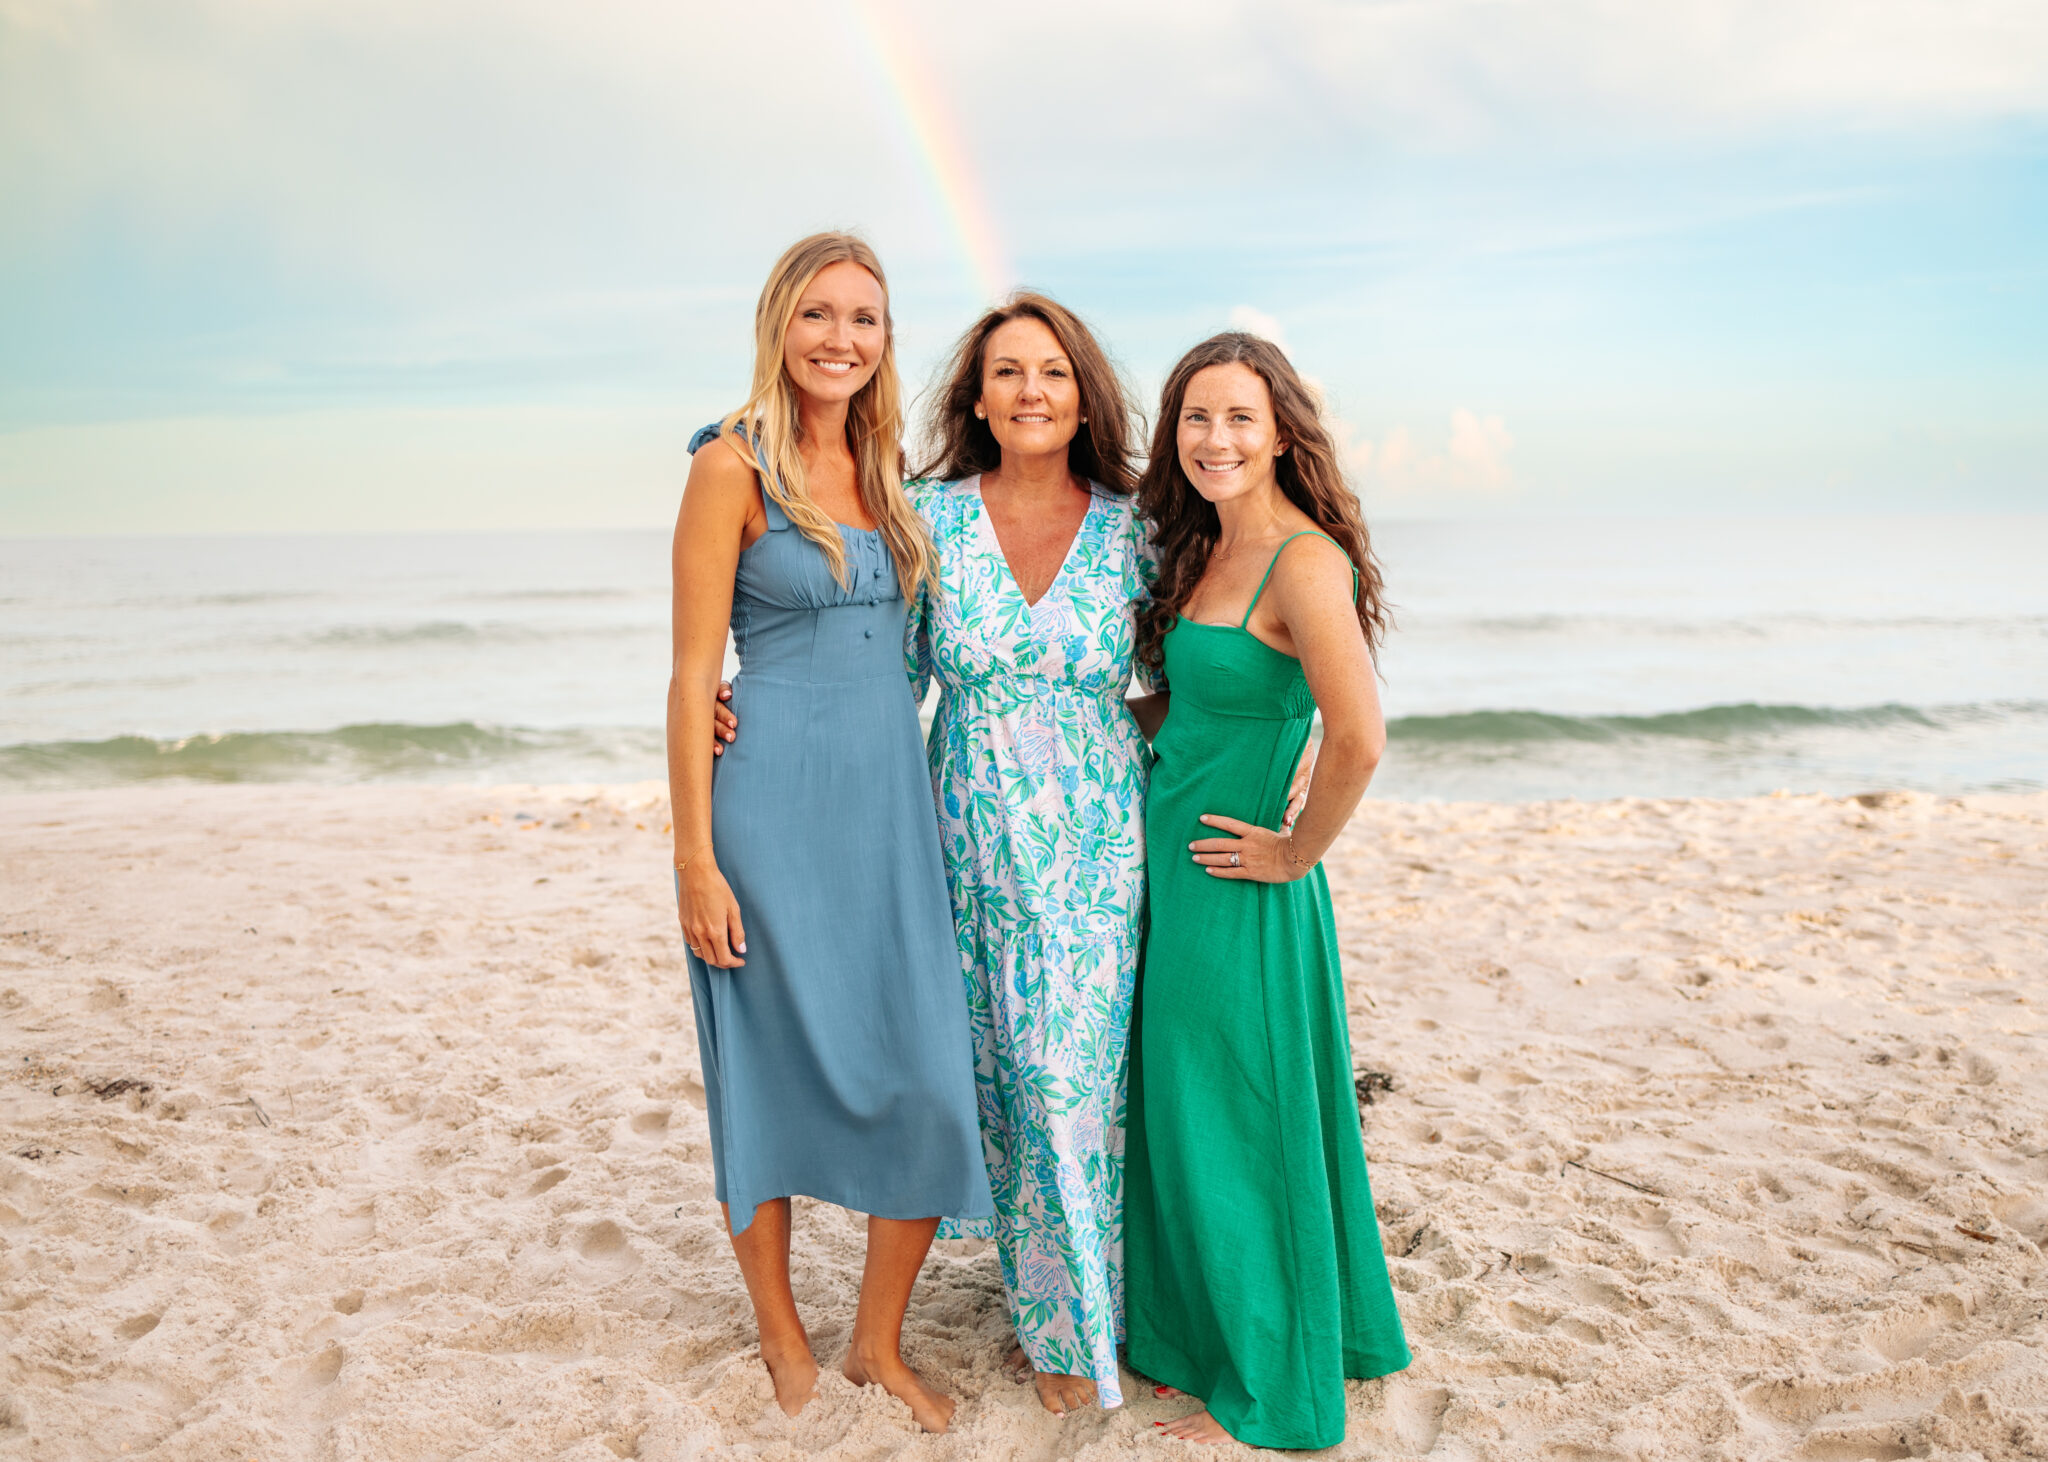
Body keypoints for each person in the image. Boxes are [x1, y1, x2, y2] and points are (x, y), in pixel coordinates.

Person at [665, 232, 991, 1435]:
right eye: (817, 313)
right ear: (778, 325)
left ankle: (874, 1342)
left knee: (927, 1072)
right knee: (762, 1069)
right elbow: (689, 674)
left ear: (884, 338)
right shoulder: (728, 467)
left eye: (862, 317)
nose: (838, 338)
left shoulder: (891, 469)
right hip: (766, 808)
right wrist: (693, 860)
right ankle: (782, 1337)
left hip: (889, 808)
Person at [1122, 331, 1411, 1448]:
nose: (1216, 438)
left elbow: (1360, 737)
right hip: (1171, 868)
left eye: (1240, 417)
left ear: (1282, 431)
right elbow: (1186, 708)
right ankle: (1201, 1340)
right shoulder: (1200, 549)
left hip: (1240, 886)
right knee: (1185, 1110)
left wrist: (1293, 852)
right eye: (1196, 417)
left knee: (1237, 1119)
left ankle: (1273, 1383)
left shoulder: (1302, 560)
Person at [908, 294, 1154, 1417]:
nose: (1030, 391)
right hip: (964, 846)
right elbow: (878, 677)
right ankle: (1053, 1298)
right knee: (1005, 1079)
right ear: (976, 399)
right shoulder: (928, 521)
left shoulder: (1136, 531)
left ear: (1083, 396)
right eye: (1007, 372)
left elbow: (1194, 672)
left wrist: (1279, 751)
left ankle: (1076, 1339)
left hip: (1099, 850)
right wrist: (744, 708)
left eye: (1052, 372)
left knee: (1076, 1078)